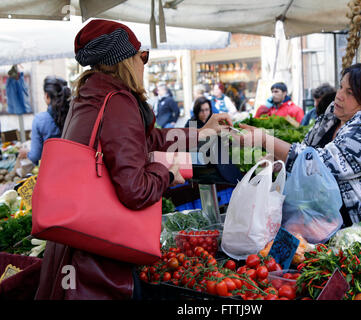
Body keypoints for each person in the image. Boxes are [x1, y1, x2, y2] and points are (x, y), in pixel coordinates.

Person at [34, 19, 232, 300]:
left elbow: (147, 139)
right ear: (125, 60)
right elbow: (135, 190)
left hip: (75, 241)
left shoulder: (90, 96)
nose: (144, 64)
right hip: (98, 257)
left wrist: (200, 133)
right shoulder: (118, 101)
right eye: (143, 56)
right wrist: (167, 173)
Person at [238, 63, 361, 226]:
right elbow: (306, 150)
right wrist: (278, 162)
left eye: (350, 93)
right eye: (341, 87)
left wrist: (265, 140)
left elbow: (318, 163)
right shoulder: (333, 116)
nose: (339, 96)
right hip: (330, 226)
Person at [18, 76, 71, 165]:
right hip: (75, 166)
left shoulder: (39, 120)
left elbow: (35, 156)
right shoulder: (74, 115)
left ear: (47, 95)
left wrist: (27, 152)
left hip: (53, 170)